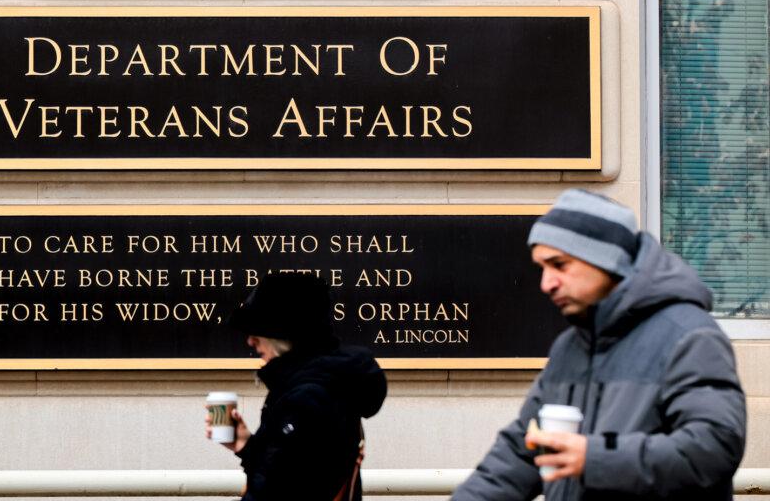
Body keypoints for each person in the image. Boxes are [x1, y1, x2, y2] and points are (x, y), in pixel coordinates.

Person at [451, 189, 746, 501]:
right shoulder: (570, 347)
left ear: (606, 260)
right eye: (542, 268)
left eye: (560, 265)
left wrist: (595, 458)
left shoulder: (689, 336)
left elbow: (715, 447)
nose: (546, 283)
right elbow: (518, 455)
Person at [208, 272, 387, 501]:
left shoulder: (307, 397)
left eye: (257, 331)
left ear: (283, 333)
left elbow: (275, 490)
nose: (250, 341)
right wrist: (245, 445)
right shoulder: (324, 385)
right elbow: (287, 472)